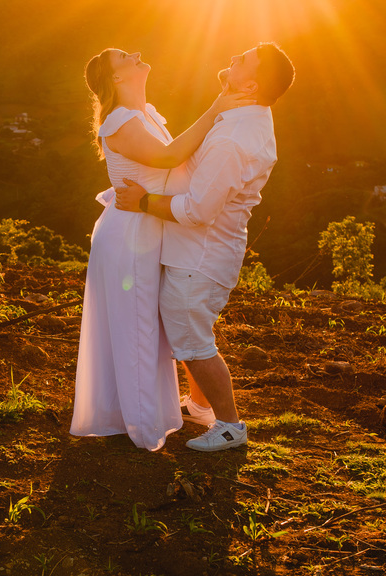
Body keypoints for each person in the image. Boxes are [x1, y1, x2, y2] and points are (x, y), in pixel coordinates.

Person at [69, 49, 252, 451]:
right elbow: (170, 156)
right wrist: (219, 105)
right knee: (137, 326)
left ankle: (190, 407)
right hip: (130, 235)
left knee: (163, 323)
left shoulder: (144, 114)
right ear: (115, 79)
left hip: (152, 229)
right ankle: (141, 423)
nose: (135, 54)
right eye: (124, 56)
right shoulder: (118, 121)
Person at [115, 43, 294, 452]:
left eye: (241, 60)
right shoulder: (242, 116)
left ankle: (231, 425)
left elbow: (198, 210)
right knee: (191, 333)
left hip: (200, 255)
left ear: (250, 83)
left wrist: (142, 201)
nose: (230, 58)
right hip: (199, 251)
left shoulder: (234, 137)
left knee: (194, 343)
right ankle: (198, 405)